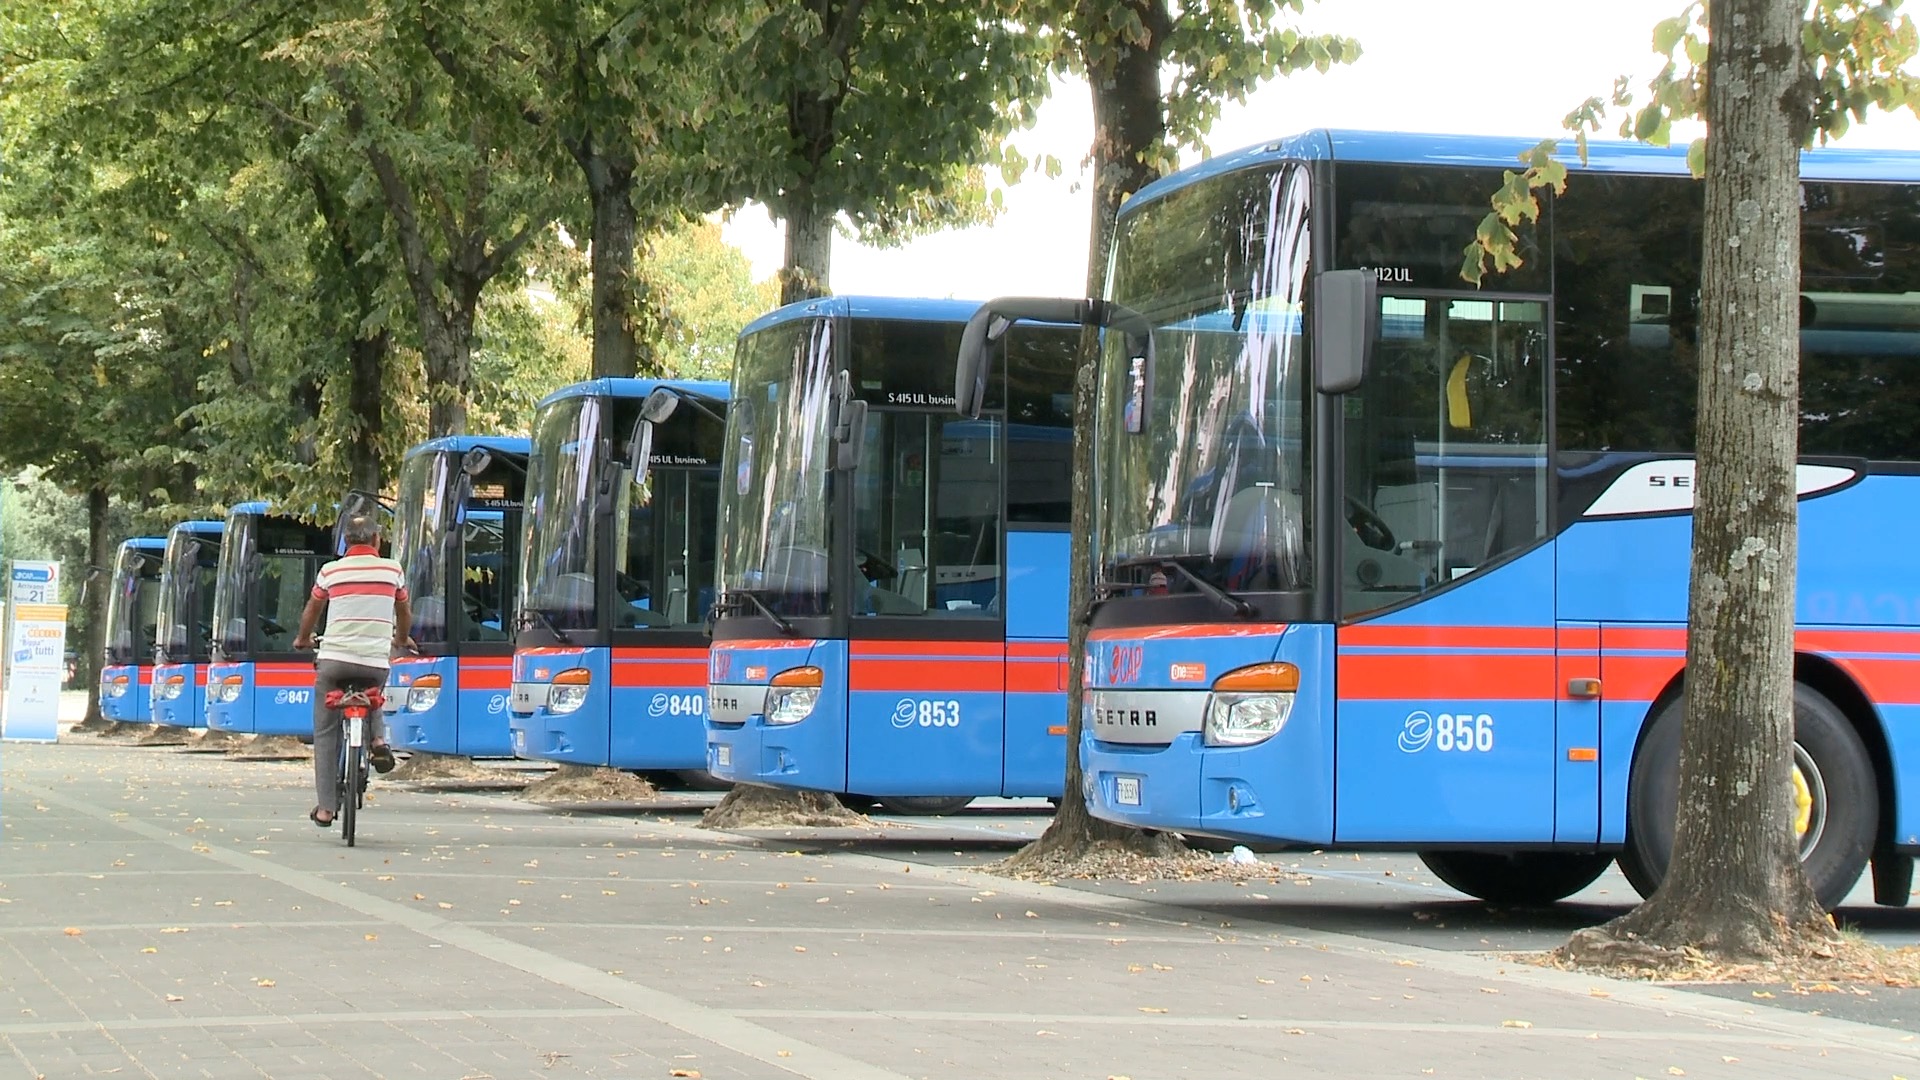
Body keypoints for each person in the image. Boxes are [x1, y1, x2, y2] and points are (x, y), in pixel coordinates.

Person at [292, 514, 413, 828]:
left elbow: (312, 608)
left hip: (334, 660)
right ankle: (376, 741)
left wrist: (303, 639)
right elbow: (403, 610)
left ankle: (326, 809)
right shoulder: (392, 569)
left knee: (325, 730)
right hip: (374, 661)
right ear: (376, 540)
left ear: (346, 543)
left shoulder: (330, 571)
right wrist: (400, 639)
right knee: (373, 692)